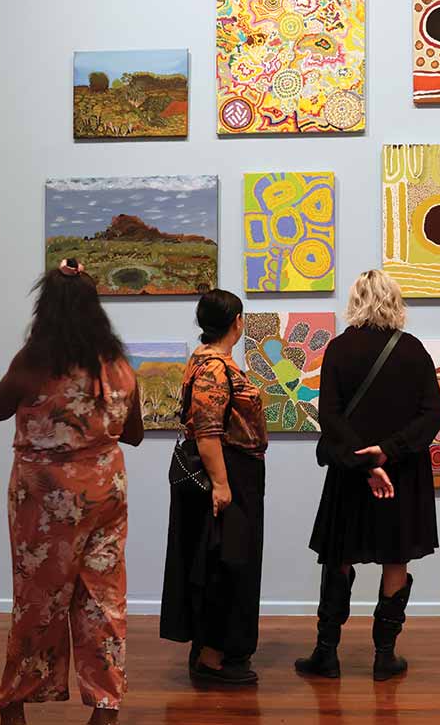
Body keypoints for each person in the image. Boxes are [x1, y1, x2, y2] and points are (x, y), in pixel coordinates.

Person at [0, 260, 143, 725]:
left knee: (40, 598)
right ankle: (105, 707)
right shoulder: (115, 367)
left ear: (45, 311)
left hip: (45, 500)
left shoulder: (34, 364)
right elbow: (132, 434)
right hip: (104, 496)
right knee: (103, 599)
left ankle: (15, 703)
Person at [296, 270, 440, 681]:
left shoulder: (340, 349)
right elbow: (432, 414)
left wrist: (365, 461)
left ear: (356, 301)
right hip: (403, 475)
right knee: (395, 557)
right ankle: (384, 657)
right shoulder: (414, 351)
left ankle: (326, 654)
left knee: (339, 556)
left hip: (350, 472)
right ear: (395, 302)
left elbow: (329, 416)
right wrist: (388, 452)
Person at [160, 290, 268, 685]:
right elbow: (207, 433)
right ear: (236, 321)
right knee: (226, 564)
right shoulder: (213, 368)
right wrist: (222, 486)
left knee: (221, 560)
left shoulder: (210, 362)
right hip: (227, 473)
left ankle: (216, 650)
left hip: (233, 472)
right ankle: (212, 657)